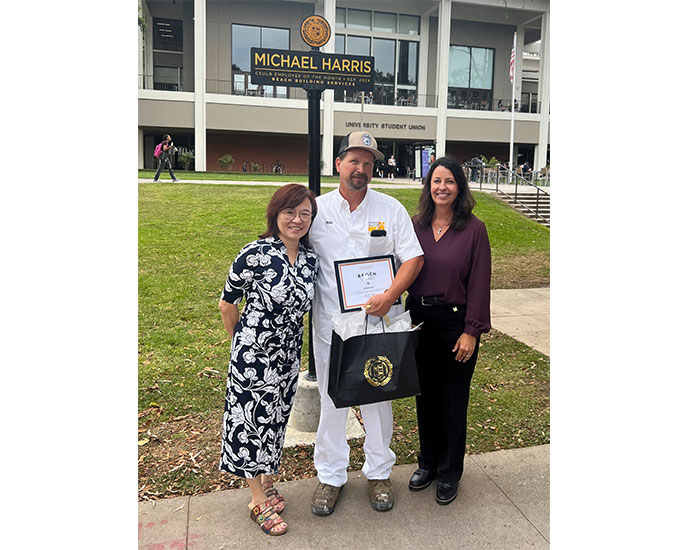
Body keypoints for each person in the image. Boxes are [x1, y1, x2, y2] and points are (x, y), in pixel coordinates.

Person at [308, 131, 424, 515]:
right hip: (332, 327)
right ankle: (331, 476)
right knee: (331, 401)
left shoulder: (390, 209)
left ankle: (378, 473)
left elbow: (413, 259)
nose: (361, 169)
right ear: (338, 164)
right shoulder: (317, 211)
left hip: (380, 325)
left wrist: (390, 296)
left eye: (369, 163)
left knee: (378, 400)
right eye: (354, 161)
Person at [218, 184, 319, 536]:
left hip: (289, 356)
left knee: (275, 419)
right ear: (275, 214)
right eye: (290, 212)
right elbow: (227, 303)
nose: (297, 219)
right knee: (251, 424)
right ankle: (257, 499)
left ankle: (269, 482)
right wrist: (241, 343)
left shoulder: (310, 261)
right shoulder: (254, 254)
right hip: (254, 355)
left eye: (305, 213)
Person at [405, 156, 491, 506]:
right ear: (428, 186)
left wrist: (471, 330)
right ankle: (428, 463)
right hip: (419, 321)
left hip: (457, 323)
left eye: (449, 181)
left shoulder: (473, 229)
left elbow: (480, 284)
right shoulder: (415, 226)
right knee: (425, 396)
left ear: (459, 188)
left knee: (454, 398)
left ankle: (450, 470)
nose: (442, 187)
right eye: (436, 180)